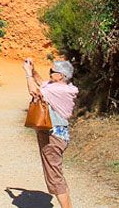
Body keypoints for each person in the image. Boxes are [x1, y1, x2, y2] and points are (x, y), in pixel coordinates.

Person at [24, 58, 78, 208]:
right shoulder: (63, 87)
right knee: (56, 175)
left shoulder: (57, 90)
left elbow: (34, 91)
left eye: (52, 72)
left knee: (55, 178)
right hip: (58, 136)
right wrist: (34, 71)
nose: (49, 73)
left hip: (52, 138)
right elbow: (42, 84)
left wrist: (28, 74)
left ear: (60, 75)